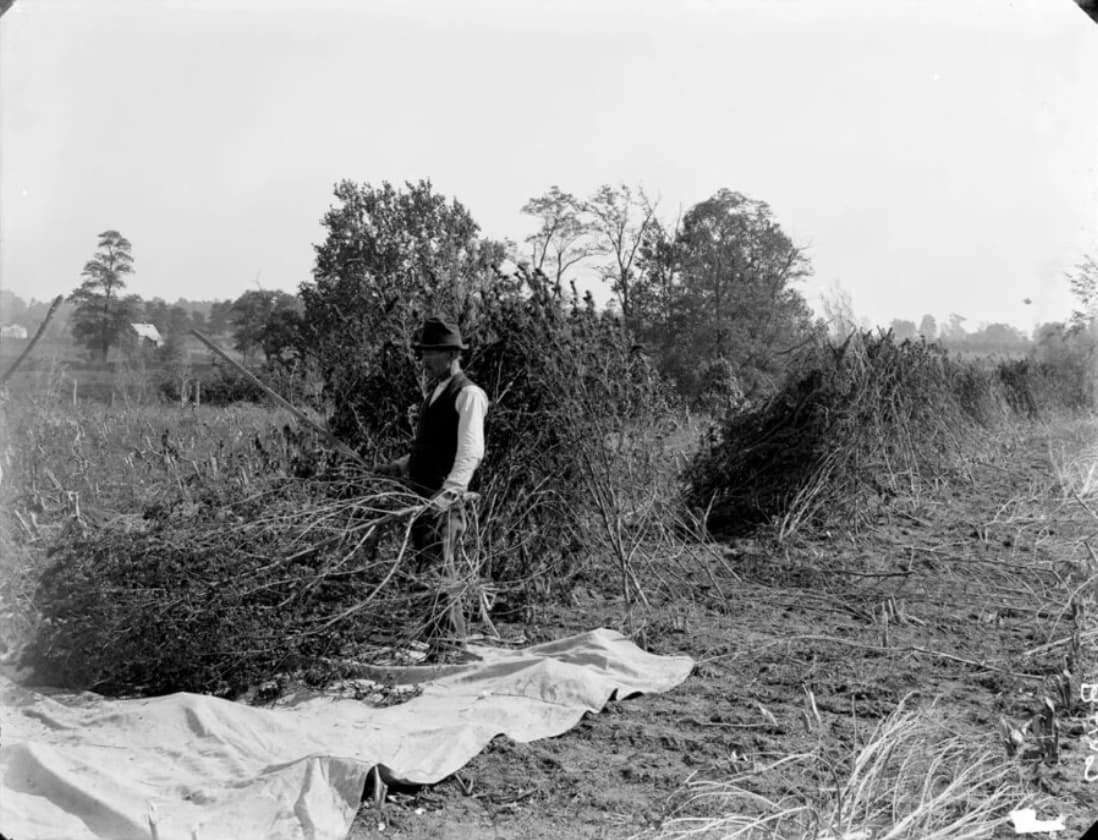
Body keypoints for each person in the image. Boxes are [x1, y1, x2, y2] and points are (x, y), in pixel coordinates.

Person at [377, 317, 489, 648]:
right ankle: (436, 636)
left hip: (443, 498)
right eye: (424, 352)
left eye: (431, 353)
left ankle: (449, 643)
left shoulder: (468, 394)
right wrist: (398, 466)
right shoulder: (435, 392)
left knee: (442, 568)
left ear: (452, 354)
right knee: (429, 566)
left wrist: (448, 494)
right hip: (422, 494)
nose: (424, 360)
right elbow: (432, 445)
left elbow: (470, 452)